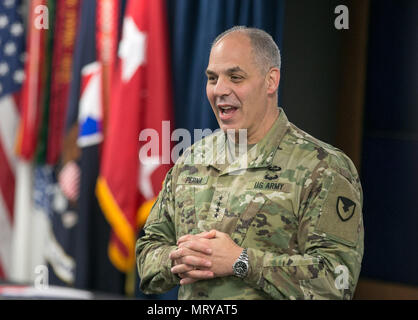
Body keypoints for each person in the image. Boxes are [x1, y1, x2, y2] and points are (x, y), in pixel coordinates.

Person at [136, 26, 364, 300]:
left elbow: (336, 282)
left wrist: (242, 262)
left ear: (271, 81)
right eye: (212, 78)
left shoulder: (324, 168)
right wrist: (179, 259)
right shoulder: (190, 160)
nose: (220, 89)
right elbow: (147, 253)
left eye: (235, 77)